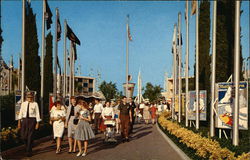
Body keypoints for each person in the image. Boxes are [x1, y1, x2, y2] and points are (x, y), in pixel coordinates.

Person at [17, 91, 41, 157]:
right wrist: (19, 122)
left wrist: (37, 123)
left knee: (30, 136)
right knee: (23, 136)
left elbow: (37, 113)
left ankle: (28, 151)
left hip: (32, 120)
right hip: (24, 120)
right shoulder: (23, 104)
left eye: (31, 97)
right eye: (28, 97)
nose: (30, 98)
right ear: (26, 98)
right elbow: (21, 113)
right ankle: (28, 146)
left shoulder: (35, 104)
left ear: (33, 97)